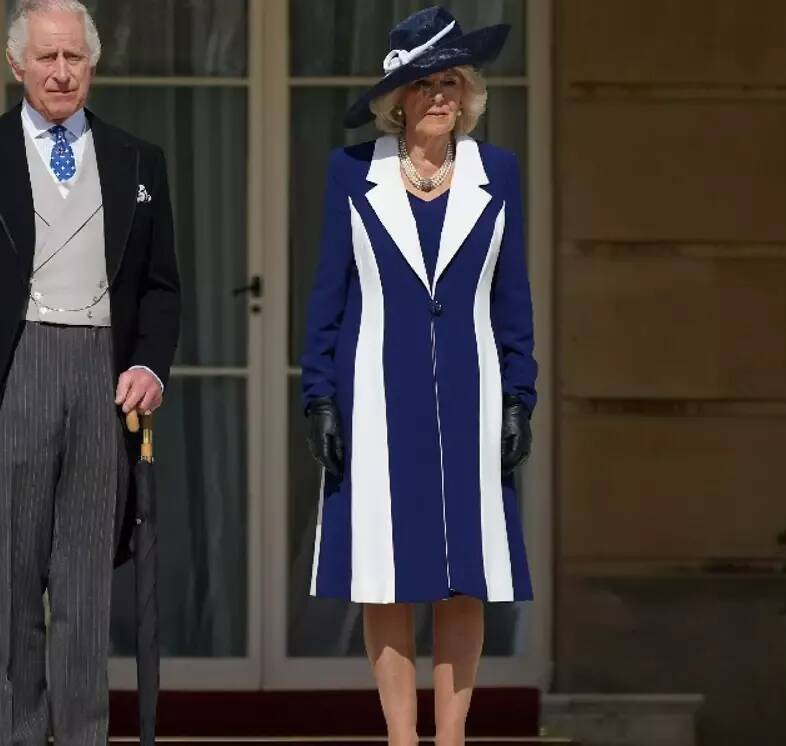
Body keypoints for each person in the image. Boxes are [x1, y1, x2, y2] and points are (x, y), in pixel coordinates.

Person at [0, 0, 180, 742]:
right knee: (15, 587)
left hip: (101, 374)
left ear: (92, 64)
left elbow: (162, 288)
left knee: (86, 592)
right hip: (12, 374)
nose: (61, 72)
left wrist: (150, 367)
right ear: (16, 65)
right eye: (47, 58)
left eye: (75, 58)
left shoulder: (138, 159)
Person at [299, 8, 536, 745]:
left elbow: (513, 298)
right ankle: (403, 739)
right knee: (386, 571)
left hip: (473, 392)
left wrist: (521, 393)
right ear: (397, 99)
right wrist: (320, 398)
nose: (440, 95)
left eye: (452, 82)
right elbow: (327, 295)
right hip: (376, 394)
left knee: (465, 573)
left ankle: (453, 738)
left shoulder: (498, 172)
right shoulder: (352, 172)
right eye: (424, 83)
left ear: (468, 94)